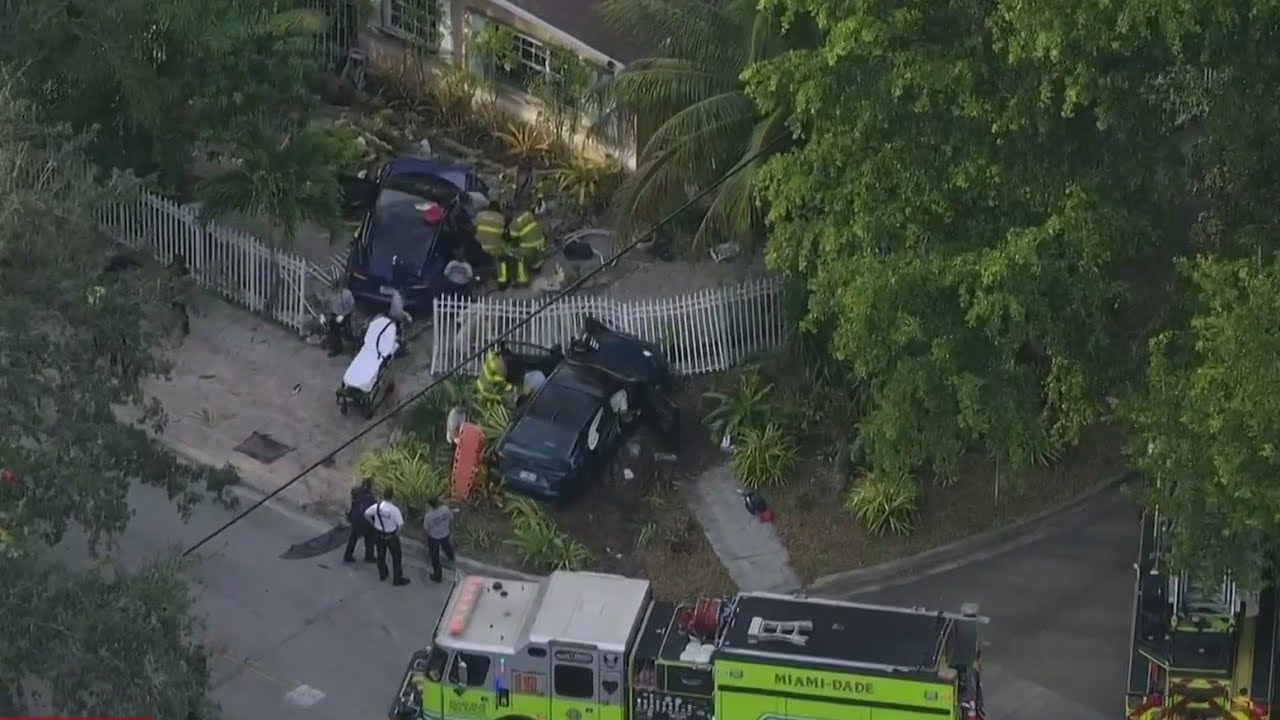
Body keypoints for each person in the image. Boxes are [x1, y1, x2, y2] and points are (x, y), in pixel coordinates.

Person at [364, 487, 410, 586]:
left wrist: (373, 523)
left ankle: (383, 573)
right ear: (392, 497)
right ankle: (397, 579)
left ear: (383, 496)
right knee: (396, 557)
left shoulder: (377, 507)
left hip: (378, 533)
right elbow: (401, 525)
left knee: (381, 555)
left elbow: (366, 514)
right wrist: (397, 534)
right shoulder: (394, 510)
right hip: (391, 535)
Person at [422, 496, 458, 582]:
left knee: (434, 556)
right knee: (446, 546)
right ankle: (451, 557)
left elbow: (426, 528)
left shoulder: (428, 516)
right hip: (445, 533)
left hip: (434, 537)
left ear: (430, 505)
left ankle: (437, 576)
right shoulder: (445, 509)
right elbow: (451, 518)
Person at [342, 478, 377, 563]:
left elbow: (351, 501)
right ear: (370, 486)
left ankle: (348, 555)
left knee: (353, 537)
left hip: (355, 516)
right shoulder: (371, 497)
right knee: (370, 536)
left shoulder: (355, 491)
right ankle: (369, 556)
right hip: (365, 519)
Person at [474, 201, 507, 284]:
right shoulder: (500, 218)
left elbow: (474, 227)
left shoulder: (480, 215)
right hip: (495, 247)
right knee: (500, 260)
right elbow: (504, 234)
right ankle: (502, 279)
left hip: (481, 246)